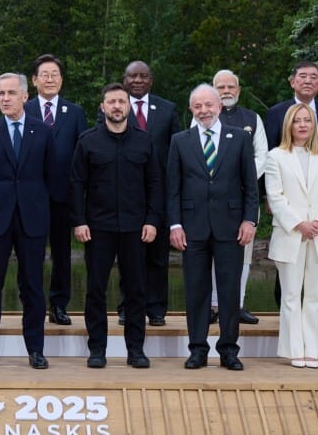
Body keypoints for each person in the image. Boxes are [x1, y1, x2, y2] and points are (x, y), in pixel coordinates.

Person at [167, 84, 258, 371]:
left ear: (219, 106)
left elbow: (250, 185)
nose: (203, 111)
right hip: (192, 228)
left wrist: (250, 220)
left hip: (231, 227)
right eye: (198, 106)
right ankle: (197, 349)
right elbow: (172, 188)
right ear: (191, 109)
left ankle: (229, 350)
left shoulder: (240, 138)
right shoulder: (180, 141)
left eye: (208, 105)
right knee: (196, 291)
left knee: (230, 292)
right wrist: (175, 224)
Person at [71, 83, 161, 369]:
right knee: (95, 290)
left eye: (122, 101)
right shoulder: (88, 141)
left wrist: (152, 220)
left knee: (136, 290)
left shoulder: (144, 141)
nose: (117, 106)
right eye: (111, 102)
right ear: (103, 107)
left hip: (136, 228)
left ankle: (136, 350)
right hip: (98, 228)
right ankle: (97, 349)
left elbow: (155, 183)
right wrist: (79, 221)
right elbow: (77, 184)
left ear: (129, 107)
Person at [0, 73, 56, 370]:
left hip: (32, 219)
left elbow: (51, 176)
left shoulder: (43, 131)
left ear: (24, 96)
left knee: (32, 286)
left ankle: (35, 350)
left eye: (10, 93)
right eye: (1, 94)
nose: (5, 98)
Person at [265, 61, 318, 325]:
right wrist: (269, 198)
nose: (308, 81)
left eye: (314, 77)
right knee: (288, 264)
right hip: (288, 204)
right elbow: (269, 153)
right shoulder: (276, 113)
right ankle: (286, 313)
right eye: (302, 76)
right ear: (292, 81)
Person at [265, 103, 318, 369]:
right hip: (290, 235)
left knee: (315, 297)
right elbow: (275, 196)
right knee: (290, 296)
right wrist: (299, 224)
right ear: (289, 125)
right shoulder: (276, 156)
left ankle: (313, 349)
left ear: (314, 125)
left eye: (307, 120)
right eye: (297, 120)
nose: (302, 125)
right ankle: (294, 349)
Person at [24, 54, 87, 326]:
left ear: (61, 80)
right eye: (44, 75)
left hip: (63, 195)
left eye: (54, 74)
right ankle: (31, 304)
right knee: (31, 252)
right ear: (34, 80)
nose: (49, 79)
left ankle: (59, 305)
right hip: (30, 195)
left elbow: (82, 155)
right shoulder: (23, 109)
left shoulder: (75, 112)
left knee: (62, 253)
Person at [118, 60, 179, 326]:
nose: (138, 80)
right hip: (125, 194)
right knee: (128, 255)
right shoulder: (115, 107)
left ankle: (156, 309)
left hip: (159, 193)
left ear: (151, 80)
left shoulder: (168, 109)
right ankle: (127, 307)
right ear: (125, 80)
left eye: (143, 76)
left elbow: (177, 151)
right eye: (133, 76)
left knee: (157, 256)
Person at [206, 69, 267, 326]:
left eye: (231, 87)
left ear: (238, 90)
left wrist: (243, 178)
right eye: (221, 87)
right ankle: (213, 305)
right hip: (212, 198)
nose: (226, 91)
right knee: (211, 252)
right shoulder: (204, 115)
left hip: (244, 196)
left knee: (244, 253)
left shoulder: (252, 118)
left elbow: (262, 155)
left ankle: (237, 304)